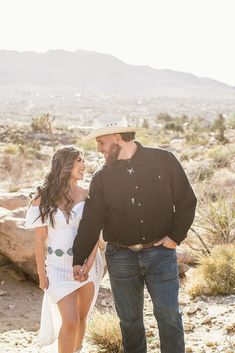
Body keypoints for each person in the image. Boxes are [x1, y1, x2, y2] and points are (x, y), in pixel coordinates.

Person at [72, 114, 197, 353]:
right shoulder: (102, 178)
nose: (99, 149)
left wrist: (174, 238)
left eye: (102, 142)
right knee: (129, 322)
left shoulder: (164, 160)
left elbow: (186, 201)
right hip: (120, 258)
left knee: (169, 316)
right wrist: (78, 259)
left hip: (160, 254)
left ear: (117, 137)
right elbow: (91, 221)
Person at [25, 146, 103, 353]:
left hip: (88, 265)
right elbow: (40, 239)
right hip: (57, 267)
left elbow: (94, 232)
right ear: (65, 164)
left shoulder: (88, 195)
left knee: (81, 318)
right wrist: (42, 274)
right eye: (79, 160)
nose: (84, 165)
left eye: (84, 160)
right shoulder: (43, 197)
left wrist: (89, 261)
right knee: (69, 321)